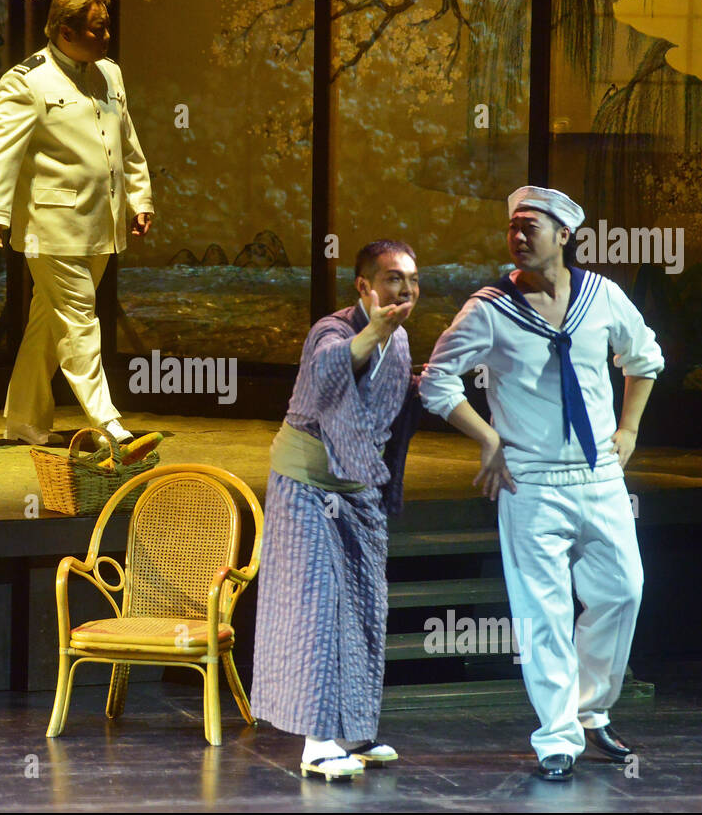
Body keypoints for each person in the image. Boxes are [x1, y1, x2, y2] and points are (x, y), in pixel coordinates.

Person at [418, 186, 664, 781]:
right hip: (531, 480)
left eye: (532, 226)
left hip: (599, 473)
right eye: (514, 226)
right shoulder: (490, 307)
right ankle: (557, 736)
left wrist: (628, 428)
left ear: (565, 235)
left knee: (623, 591)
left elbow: (645, 357)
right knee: (545, 612)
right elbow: (436, 381)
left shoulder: (601, 296)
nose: (519, 235)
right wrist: (488, 437)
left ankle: (589, 711)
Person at [251, 240, 422, 780]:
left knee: (366, 609)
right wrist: (375, 330)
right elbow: (327, 373)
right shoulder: (331, 330)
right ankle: (316, 741)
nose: (405, 290)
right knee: (317, 609)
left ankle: (353, 731)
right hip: (306, 487)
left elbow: (398, 409)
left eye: (412, 280)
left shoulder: (399, 344)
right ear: (364, 286)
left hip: (359, 488)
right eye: (393, 278)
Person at [0, 0, 153, 447]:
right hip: (50, 228)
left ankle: (23, 420)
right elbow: (1, 152)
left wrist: (140, 198)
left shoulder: (109, 74)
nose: (107, 35)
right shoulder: (26, 81)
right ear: (65, 30)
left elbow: (126, 142)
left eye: (108, 26)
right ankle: (107, 420)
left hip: (99, 224)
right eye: (98, 28)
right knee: (78, 318)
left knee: (48, 323)